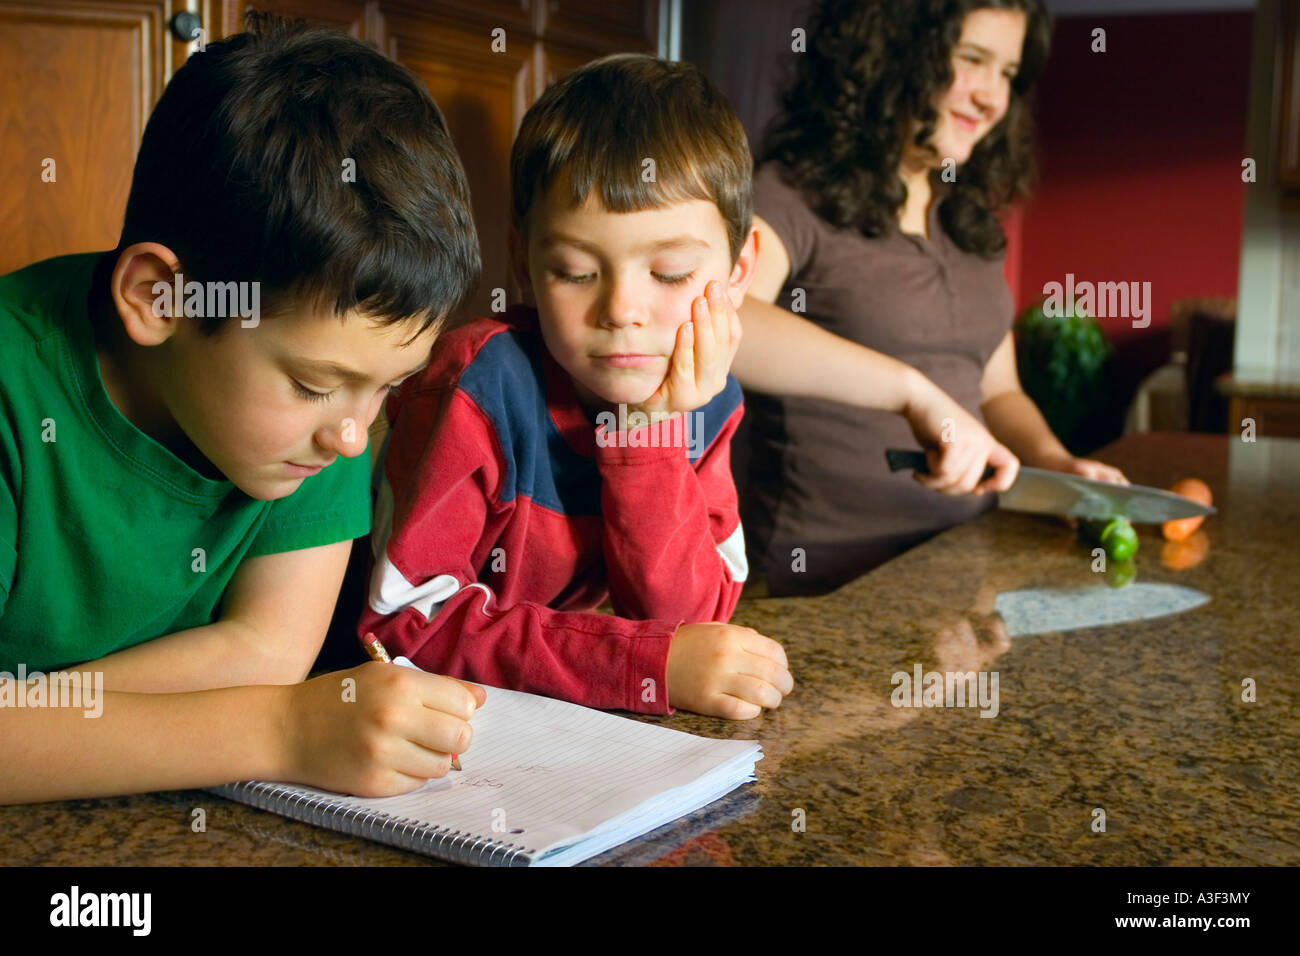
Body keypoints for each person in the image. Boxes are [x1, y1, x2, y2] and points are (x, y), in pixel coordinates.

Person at [0, 14, 486, 803]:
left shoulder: (327, 417)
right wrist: (281, 731)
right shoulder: (12, 387)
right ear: (160, 297)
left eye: (389, 385)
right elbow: (270, 695)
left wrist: (35, 722)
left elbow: (267, 650)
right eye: (312, 384)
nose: (355, 435)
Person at [358, 54, 793, 721]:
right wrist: (640, 666)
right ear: (525, 268)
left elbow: (689, 625)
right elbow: (404, 628)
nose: (622, 310)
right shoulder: (478, 386)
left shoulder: (710, 398)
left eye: (670, 273)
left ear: (739, 272)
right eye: (575, 271)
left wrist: (648, 432)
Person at [730, 0, 1128, 596]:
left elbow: (998, 391)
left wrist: (1057, 463)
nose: (993, 97)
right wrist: (909, 391)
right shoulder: (790, 195)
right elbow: (723, 320)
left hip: (961, 565)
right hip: (827, 580)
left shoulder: (966, 219)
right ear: (892, 52)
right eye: (972, 60)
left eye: (1007, 74)